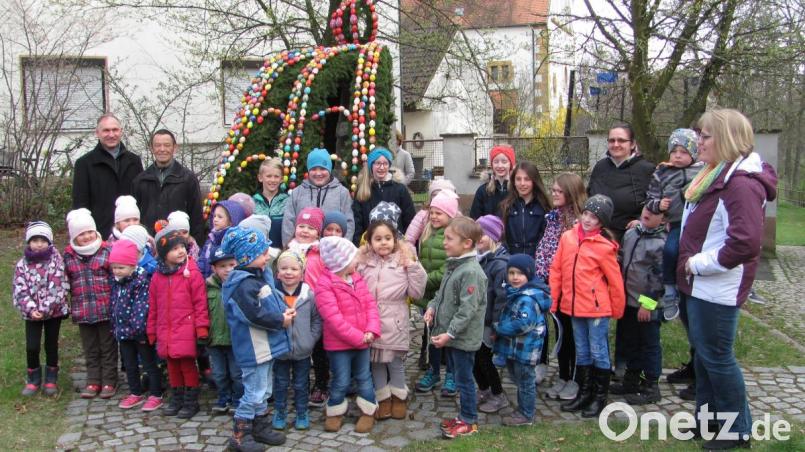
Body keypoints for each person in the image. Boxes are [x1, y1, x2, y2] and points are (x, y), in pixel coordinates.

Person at [677, 109, 776, 449]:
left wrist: (697, 264)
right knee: (704, 358)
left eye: (705, 136)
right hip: (700, 286)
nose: (698, 142)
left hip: (716, 288)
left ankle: (737, 432)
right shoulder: (714, 175)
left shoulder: (741, 185)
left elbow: (745, 242)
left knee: (717, 358)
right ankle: (708, 422)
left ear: (727, 139)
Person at [549, 195, 625, 418]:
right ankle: (583, 393)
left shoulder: (604, 246)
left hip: (596, 308)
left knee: (598, 351)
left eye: (595, 217)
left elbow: (614, 280)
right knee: (581, 351)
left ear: (602, 222)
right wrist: (554, 299)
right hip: (573, 306)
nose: (588, 220)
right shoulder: (568, 238)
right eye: (587, 214)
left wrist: (616, 309)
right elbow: (557, 270)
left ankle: (599, 397)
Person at [220, 226, 291, 449]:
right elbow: (254, 314)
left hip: (264, 346)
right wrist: (281, 320)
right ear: (247, 257)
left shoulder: (257, 276)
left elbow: (271, 299)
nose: (267, 256)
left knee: (263, 389)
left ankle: (259, 427)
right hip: (253, 348)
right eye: (262, 253)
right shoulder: (242, 285)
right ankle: (239, 435)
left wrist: (283, 312)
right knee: (254, 390)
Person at [422, 217, 487, 439]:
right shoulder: (454, 264)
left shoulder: (470, 272)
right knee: (461, 377)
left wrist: (449, 334)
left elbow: (467, 310)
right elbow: (441, 295)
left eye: (449, 239)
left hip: (461, 338)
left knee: (464, 380)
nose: (444, 243)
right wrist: (431, 307)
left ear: (467, 243)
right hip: (452, 337)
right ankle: (463, 417)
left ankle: (469, 420)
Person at [357, 220, 427, 421]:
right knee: (376, 362)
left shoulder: (403, 261)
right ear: (369, 242)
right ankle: (383, 399)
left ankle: (399, 398)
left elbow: (416, 291)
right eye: (377, 239)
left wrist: (413, 267)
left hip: (395, 319)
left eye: (387, 238)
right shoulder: (363, 262)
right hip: (371, 320)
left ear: (395, 239)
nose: (383, 243)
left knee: (395, 363)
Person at [316, 236, 382, 433]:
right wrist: (359, 337)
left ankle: (369, 411)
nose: (357, 261)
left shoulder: (357, 279)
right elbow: (334, 319)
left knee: (364, 377)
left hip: (363, 340)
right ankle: (335, 411)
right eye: (354, 258)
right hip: (340, 346)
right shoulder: (324, 285)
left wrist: (371, 330)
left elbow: (370, 305)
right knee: (341, 380)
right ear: (342, 262)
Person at [147, 227, 209, 419]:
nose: (181, 251)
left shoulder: (192, 273)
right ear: (165, 255)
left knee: (187, 365)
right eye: (175, 249)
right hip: (166, 329)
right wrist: (151, 330)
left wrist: (201, 329)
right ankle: (177, 397)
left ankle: (191, 400)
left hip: (186, 328)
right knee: (172, 366)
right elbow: (154, 306)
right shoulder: (157, 277)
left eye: (183, 246)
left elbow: (200, 303)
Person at [535, 172, 586, 401]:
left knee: (572, 334)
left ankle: (574, 379)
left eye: (558, 191)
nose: (553, 194)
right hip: (549, 283)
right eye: (553, 190)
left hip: (570, 287)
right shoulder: (554, 217)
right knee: (560, 333)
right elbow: (546, 249)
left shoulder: (579, 223)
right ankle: (563, 376)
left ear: (570, 193)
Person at [644, 129, 704, 321]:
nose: (678, 156)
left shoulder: (704, 171)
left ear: (693, 153)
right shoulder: (661, 173)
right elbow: (650, 199)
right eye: (674, 151)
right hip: (676, 223)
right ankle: (670, 291)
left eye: (684, 152)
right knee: (670, 252)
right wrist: (658, 205)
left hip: (699, 224)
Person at [611, 206, 665, 406]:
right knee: (630, 340)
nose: (648, 213)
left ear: (664, 219)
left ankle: (651, 384)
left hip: (646, 304)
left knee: (649, 343)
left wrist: (648, 304)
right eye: (646, 208)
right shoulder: (632, 233)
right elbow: (623, 257)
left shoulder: (660, 243)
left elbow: (659, 278)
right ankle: (631, 379)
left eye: (655, 212)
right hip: (628, 300)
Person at [63, 208, 118, 399]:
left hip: (105, 309)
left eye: (89, 232)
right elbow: (65, 282)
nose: (86, 237)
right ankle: (93, 380)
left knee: (107, 347)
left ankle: (110, 380)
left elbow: (115, 278)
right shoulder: (69, 256)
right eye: (81, 234)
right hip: (83, 310)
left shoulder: (106, 251)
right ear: (74, 237)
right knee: (90, 348)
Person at [493, 254, 552, 426]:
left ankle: (526, 414)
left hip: (526, 349)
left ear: (529, 275)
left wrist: (500, 328)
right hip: (515, 348)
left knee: (525, 382)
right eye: (511, 273)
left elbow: (523, 324)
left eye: (519, 273)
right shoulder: (516, 293)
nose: (515, 277)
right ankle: (522, 409)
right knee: (519, 379)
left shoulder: (527, 298)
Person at [13, 221, 69, 397]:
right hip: (32, 314)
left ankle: (51, 378)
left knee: (51, 344)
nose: (39, 244)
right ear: (29, 242)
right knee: (32, 346)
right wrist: (31, 309)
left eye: (43, 240)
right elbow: (19, 290)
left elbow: (59, 287)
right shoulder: (22, 265)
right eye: (35, 240)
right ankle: (33, 378)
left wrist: (45, 309)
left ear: (49, 241)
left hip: (53, 312)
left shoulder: (56, 261)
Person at [108, 240, 163, 411]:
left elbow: (141, 307)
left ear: (132, 265)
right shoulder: (116, 282)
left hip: (139, 332)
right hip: (123, 332)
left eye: (121, 267)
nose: (117, 271)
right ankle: (135, 391)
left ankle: (156, 394)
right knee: (130, 365)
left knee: (148, 363)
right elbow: (114, 304)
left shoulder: (140, 281)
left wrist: (136, 328)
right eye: (115, 267)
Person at [415, 191, 460, 395]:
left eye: (439, 213)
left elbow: (447, 268)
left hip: (447, 296)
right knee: (432, 335)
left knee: (448, 338)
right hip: (429, 297)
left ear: (450, 215)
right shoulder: (427, 233)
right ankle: (433, 371)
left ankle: (451, 374)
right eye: (432, 212)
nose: (433, 216)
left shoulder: (453, 236)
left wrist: (425, 279)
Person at [272, 250, 321, 431]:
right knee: (281, 383)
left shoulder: (309, 295)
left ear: (301, 273)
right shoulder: (273, 294)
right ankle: (280, 411)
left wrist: (311, 338)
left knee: (301, 384)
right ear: (277, 272)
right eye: (284, 268)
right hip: (280, 350)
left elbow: (317, 320)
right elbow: (269, 319)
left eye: (294, 268)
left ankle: (302, 412)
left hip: (302, 350)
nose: (289, 272)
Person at [72, 114, 144, 238]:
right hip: (99, 233)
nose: (111, 135)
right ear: (97, 133)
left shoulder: (134, 161)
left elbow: (141, 198)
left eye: (115, 130)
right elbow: (80, 204)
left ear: (121, 131)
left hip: (131, 233)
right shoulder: (84, 164)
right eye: (106, 130)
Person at [285, 207, 328, 406]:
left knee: (318, 348)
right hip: (293, 307)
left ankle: (321, 384)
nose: (304, 231)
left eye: (310, 228)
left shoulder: (321, 253)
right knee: (293, 346)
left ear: (318, 232)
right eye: (301, 226)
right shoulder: (289, 251)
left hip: (316, 307)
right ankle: (295, 384)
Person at [132, 129, 205, 245]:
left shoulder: (187, 179)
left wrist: (196, 246)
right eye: (157, 145)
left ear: (174, 148)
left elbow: (197, 218)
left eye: (167, 145)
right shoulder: (141, 180)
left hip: (178, 245)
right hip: (149, 244)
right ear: (151, 148)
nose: (162, 149)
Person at [586, 124, 654, 243]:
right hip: (597, 237)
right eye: (612, 140)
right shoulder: (600, 167)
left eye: (621, 140)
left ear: (632, 144)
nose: (616, 144)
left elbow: (655, 204)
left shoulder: (646, 170)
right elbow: (589, 197)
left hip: (630, 239)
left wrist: (641, 221)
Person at [473, 215, 510, 414]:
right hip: (477, 319)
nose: (478, 237)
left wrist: (497, 325)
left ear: (493, 237)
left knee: (485, 359)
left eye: (483, 234)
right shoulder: (479, 259)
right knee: (475, 358)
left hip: (489, 322)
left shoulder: (500, 265)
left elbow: (502, 299)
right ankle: (484, 388)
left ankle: (498, 394)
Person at [282, 148, 354, 246]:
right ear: (308, 170)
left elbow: (349, 223)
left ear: (329, 169)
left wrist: (343, 248)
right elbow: (288, 222)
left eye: (323, 169)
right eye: (313, 169)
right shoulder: (297, 193)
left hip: (333, 251)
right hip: (302, 251)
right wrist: (289, 247)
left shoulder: (342, 193)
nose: (318, 173)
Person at [352, 147, 416, 244]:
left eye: (385, 163)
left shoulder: (400, 190)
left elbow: (410, 221)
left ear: (389, 165)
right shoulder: (362, 190)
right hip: (370, 247)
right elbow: (357, 223)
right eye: (378, 163)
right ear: (371, 165)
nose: (382, 167)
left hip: (396, 246)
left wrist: (409, 245)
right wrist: (358, 246)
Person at [206, 250, 243, 414]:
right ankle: (223, 397)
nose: (227, 269)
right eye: (222, 266)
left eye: (231, 265)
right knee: (219, 373)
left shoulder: (241, 285)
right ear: (214, 269)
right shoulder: (208, 288)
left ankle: (238, 398)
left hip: (235, 339)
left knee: (237, 373)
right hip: (214, 339)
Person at [500, 161, 552, 257]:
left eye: (527, 179)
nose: (522, 183)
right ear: (513, 182)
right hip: (511, 261)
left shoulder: (544, 207)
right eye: (518, 179)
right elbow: (501, 238)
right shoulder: (505, 207)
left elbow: (547, 239)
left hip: (536, 262)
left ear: (534, 181)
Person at [198, 200, 247, 278]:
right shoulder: (210, 240)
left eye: (220, 217)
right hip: (208, 284)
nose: (215, 219)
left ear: (231, 221)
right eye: (214, 216)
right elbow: (201, 261)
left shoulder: (236, 242)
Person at [405, 179, 458, 245]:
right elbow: (409, 238)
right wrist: (411, 253)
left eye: (444, 194)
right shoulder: (423, 215)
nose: (439, 197)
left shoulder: (457, 218)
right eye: (435, 195)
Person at [470, 145, 515, 219]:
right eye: (496, 162)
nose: (500, 166)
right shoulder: (482, 191)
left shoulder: (517, 189)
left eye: (504, 162)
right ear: (492, 164)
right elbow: (475, 219)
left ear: (510, 164)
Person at [253, 158, 289, 249]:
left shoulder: (288, 201)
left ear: (281, 179)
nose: (272, 180)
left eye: (276, 176)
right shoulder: (252, 202)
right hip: (258, 254)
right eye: (268, 176)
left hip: (281, 254)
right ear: (260, 178)